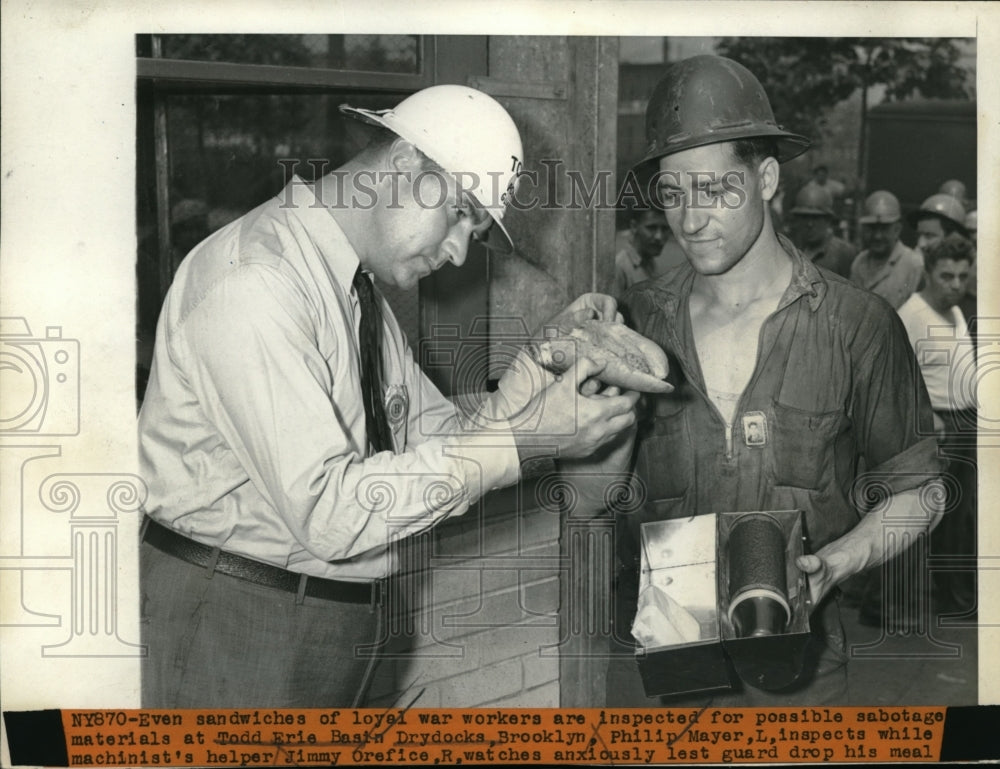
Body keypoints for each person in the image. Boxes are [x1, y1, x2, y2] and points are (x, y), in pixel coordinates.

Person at [137, 85, 639, 709]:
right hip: (237, 621)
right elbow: (328, 512)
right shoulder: (257, 283)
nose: (458, 252)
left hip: (318, 621)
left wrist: (541, 363)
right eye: (458, 214)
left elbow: (434, 438)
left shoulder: (352, 288)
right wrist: (529, 439)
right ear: (404, 163)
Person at [565, 54, 942, 707]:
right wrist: (597, 384)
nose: (690, 218)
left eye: (715, 190)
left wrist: (840, 561)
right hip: (668, 677)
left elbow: (924, 490)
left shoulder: (858, 324)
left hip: (800, 683)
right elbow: (584, 501)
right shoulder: (637, 320)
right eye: (673, 193)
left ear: (765, 177)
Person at [896, 233, 977, 615]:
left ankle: (955, 599)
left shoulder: (956, 311)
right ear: (928, 272)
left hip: (966, 423)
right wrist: (927, 419)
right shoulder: (911, 315)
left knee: (961, 519)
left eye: (963, 276)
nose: (957, 285)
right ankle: (913, 602)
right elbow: (896, 381)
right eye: (947, 276)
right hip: (940, 429)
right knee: (935, 518)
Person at [849, 190, 923, 309]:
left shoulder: (913, 265)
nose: (877, 236)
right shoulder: (859, 262)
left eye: (884, 229)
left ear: (897, 229)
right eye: (872, 228)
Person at [612, 198, 686, 298]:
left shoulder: (649, 264)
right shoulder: (620, 268)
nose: (659, 236)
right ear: (634, 227)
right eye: (651, 228)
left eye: (665, 229)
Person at [789, 184, 856, 278]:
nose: (810, 224)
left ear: (828, 220)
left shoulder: (843, 253)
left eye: (815, 218)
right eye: (805, 217)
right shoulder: (792, 249)